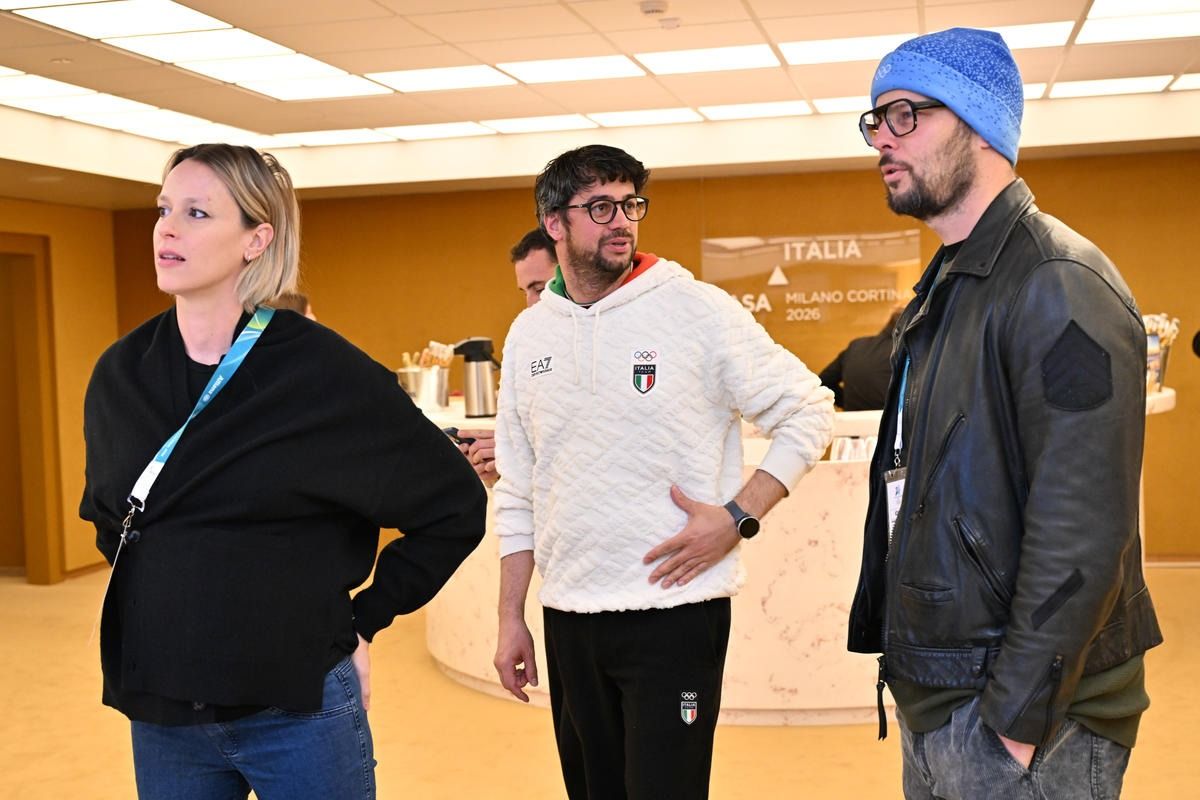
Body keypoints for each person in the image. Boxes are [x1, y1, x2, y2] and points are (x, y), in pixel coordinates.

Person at [80, 143, 486, 800]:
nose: (167, 229)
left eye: (196, 213)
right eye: (163, 209)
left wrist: (365, 618)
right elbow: (113, 519)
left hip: (297, 712)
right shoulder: (120, 375)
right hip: (163, 712)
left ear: (256, 239)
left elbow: (453, 506)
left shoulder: (324, 375)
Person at [846, 28, 1163, 799]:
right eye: (875, 120)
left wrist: (1015, 723)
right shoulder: (949, 287)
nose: (882, 139)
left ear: (980, 124)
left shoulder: (1059, 282)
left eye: (906, 115)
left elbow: (1085, 527)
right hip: (945, 697)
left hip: (1026, 718)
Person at [492, 144, 835, 799]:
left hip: (674, 612)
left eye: (630, 204)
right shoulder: (530, 335)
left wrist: (737, 517)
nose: (621, 220)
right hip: (569, 615)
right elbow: (518, 487)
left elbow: (809, 411)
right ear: (554, 223)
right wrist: (511, 616)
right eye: (600, 207)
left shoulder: (696, 310)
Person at [456, 228, 557, 486]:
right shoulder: (526, 344)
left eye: (539, 288)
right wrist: (496, 465)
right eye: (524, 291)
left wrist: (514, 454)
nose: (530, 303)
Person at [818, 307, 903, 410]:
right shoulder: (906, 352)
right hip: (889, 418)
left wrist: (847, 402)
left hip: (851, 418)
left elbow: (823, 382)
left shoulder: (856, 346)